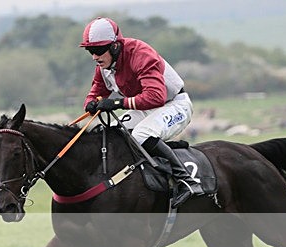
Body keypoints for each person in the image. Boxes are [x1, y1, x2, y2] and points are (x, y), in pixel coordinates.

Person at [80, 17, 201, 207]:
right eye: (90, 51)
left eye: (97, 50)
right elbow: (97, 90)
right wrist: (91, 103)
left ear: (115, 46)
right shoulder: (103, 65)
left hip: (174, 104)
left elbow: (156, 97)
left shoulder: (140, 54)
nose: (94, 56)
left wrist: (117, 103)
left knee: (141, 134)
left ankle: (187, 181)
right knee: (112, 134)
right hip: (143, 107)